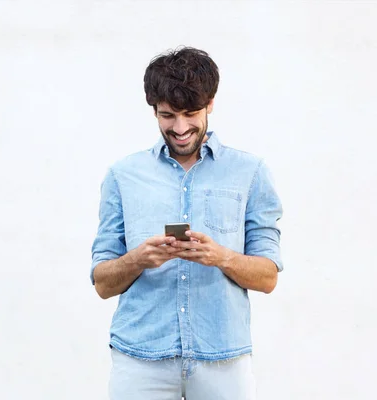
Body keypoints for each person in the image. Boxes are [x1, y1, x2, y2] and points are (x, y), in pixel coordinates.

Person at [90, 46, 283, 400]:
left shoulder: (250, 173)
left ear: (210, 103)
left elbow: (268, 277)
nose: (180, 128)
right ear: (154, 110)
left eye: (190, 113)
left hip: (223, 360)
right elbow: (102, 284)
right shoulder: (123, 176)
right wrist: (138, 259)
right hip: (140, 359)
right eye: (167, 116)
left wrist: (220, 256)